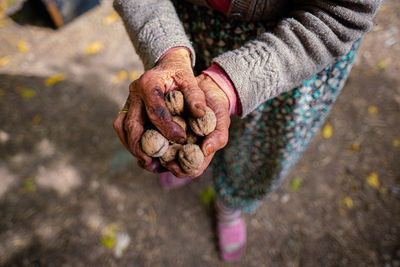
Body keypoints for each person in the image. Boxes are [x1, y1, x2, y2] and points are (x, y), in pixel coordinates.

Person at [112, 0, 381, 261]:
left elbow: (344, 12)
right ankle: (185, 168)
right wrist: (168, 53)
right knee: (192, 125)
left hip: (290, 50)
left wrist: (228, 84)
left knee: (255, 148)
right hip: (185, 29)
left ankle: (230, 203)